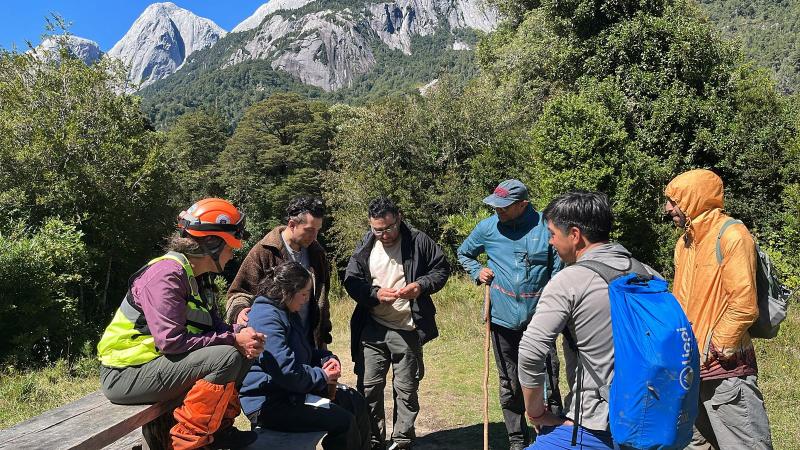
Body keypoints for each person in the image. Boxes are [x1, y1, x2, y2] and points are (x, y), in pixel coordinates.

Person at [97, 198, 265, 450]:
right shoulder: (166, 275)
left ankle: (220, 432)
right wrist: (232, 340)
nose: (233, 253)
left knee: (242, 352)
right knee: (227, 356)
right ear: (213, 243)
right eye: (232, 246)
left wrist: (241, 334)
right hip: (124, 374)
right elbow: (171, 342)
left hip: (154, 366)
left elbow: (215, 328)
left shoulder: (197, 278)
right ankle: (187, 444)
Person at [518, 191, 658, 449]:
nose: (550, 242)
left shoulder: (570, 281)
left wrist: (536, 413)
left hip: (595, 424)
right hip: (651, 418)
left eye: (552, 234)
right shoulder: (648, 274)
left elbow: (530, 351)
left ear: (574, 235)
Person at [664, 169, 773, 449]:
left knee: (745, 444)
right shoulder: (684, 243)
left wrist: (716, 347)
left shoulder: (732, 235)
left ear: (693, 199)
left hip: (725, 369)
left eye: (674, 201)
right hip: (690, 369)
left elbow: (744, 304)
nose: (668, 209)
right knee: (695, 444)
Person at [457, 179, 562, 450]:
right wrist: (476, 272)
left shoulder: (546, 227)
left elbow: (559, 272)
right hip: (502, 321)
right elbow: (464, 253)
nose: (498, 211)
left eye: (504, 207)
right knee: (510, 382)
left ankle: (550, 437)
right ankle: (517, 440)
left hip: (540, 322)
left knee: (547, 379)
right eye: (495, 206)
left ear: (523, 205)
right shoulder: (488, 228)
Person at [344, 197, 450, 450]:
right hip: (372, 327)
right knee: (369, 386)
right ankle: (373, 439)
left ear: (398, 218)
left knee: (406, 388)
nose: (384, 234)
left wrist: (421, 286)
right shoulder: (366, 244)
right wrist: (374, 295)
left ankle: (402, 441)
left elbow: (441, 269)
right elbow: (351, 279)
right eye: (377, 229)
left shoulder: (418, 240)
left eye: (388, 228)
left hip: (408, 327)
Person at [239, 261, 371, 450]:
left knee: (354, 401)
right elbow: (287, 372)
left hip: (292, 393)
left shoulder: (285, 311)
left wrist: (327, 358)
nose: (307, 300)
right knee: (343, 422)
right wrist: (324, 376)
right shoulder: (266, 318)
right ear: (287, 292)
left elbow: (304, 353)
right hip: (269, 404)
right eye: (304, 294)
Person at [227, 196, 332, 349]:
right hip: (274, 341)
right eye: (309, 230)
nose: (315, 236)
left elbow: (323, 299)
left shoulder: (317, 254)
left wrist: (324, 338)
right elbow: (238, 292)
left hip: (309, 342)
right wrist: (239, 311)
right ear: (292, 224)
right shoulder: (264, 251)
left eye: (318, 230)